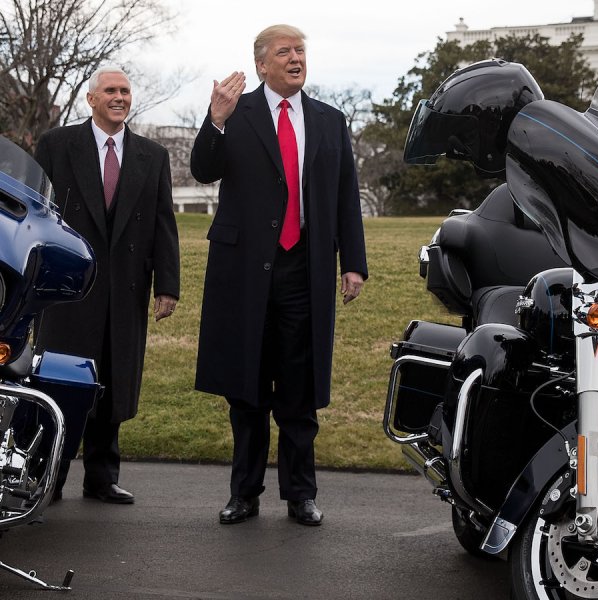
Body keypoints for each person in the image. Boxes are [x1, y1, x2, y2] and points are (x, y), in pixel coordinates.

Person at [191, 24, 368, 526]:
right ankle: (244, 493)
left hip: (304, 268)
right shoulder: (236, 113)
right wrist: (215, 120)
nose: (296, 58)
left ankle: (301, 494)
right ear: (262, 64)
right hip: (245, 270)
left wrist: (352, 262)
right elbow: (203, 169)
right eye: (284, 52)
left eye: (301, 51)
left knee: (299, 389)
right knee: (245, 389)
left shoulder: (330, 121)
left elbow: (344, 196)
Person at [34, 65, 180, 504]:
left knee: (113, 384)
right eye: (111, 91)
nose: (120, 97)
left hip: (126, 289)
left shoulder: (151, 156)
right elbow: (36, 210)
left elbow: (163, 223)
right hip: (66, 287)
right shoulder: (57, 145)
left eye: (125, 91)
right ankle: (48, 478)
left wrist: (167, 285)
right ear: (92, 99)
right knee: (61, 382)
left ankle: (101, 478)